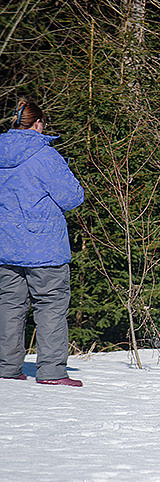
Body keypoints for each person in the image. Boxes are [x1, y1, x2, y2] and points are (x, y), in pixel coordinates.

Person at [0, 99, 85, 387]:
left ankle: (7, 367)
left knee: (9, 305)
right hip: (43, 246)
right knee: (50, 305)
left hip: (5, 245)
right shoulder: (45, 156)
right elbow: (72, 197)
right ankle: (52, 371)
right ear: (38, 123)